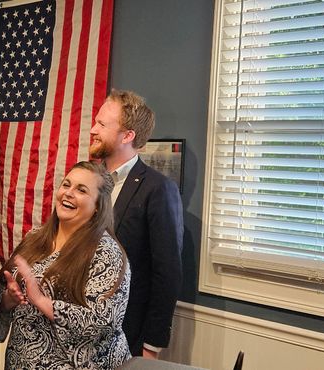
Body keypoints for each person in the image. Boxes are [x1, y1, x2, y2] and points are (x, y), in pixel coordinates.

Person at [0, 161, 132, 369]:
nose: (68, 193)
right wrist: (9, 299)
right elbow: (0, 291)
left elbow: (103, 320)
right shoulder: (34, 238)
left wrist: (41, 301)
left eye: (81, 190)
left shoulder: (107, 252)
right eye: (66, 185)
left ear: (98, 206)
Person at [89, 89, 184, 358]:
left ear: (127, 136)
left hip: (127, 335)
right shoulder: (87, 179)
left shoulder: (158, 188)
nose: (93, 129)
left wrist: (151, 345)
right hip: (79, 331)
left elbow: (167, 272)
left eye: (102, 124)